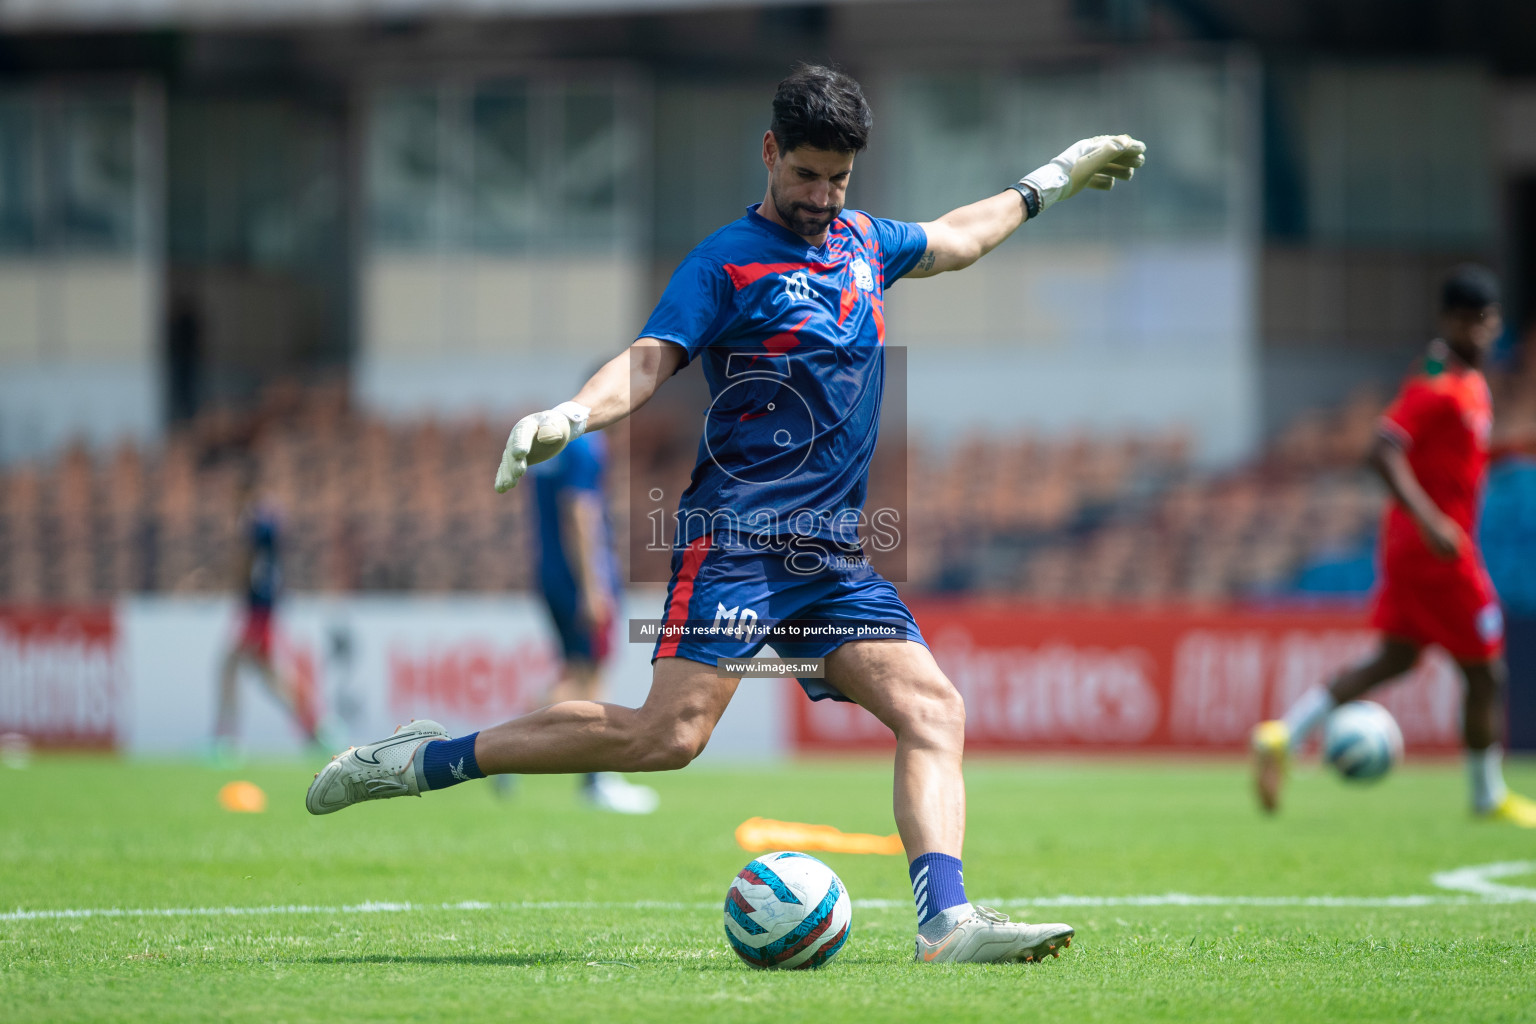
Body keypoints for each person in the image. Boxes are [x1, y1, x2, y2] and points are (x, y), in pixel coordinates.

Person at [307, 64, 1146, 963]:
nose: (823, 196)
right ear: (770, 152)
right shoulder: (724, 261)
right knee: (665, 738)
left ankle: (946, 925)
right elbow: (647, 359)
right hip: (739, 541)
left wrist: (1052, 176)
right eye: (807, 175)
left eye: (839, 180)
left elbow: (958, 238)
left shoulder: (863, 242)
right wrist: (570, 416)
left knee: (934, 709)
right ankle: (424, 759)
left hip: (832, 560)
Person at [1252, 265, 1536, 828]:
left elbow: (1459, 460)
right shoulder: (1437, 386)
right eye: (1470, 321)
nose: (1480, 330)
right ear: (1450, 321)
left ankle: (1284, 734)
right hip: (1438, 551)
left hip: (1417, 548)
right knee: (1486, 674)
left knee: (1397, 657)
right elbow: (1382, 449)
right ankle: (1486, 796)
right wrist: (1431, 522)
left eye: (1487, 320)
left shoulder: (1470, 386)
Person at [524, 429, 658, 814]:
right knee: (595, 676)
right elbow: (580, 513)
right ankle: (597, 778)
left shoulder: (553, 445)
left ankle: (505, 739)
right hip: (580, 577)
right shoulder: (587, 445)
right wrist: (593, 586)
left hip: (551, 572)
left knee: (577, 675)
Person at [213, 472, 318, 761]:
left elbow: (253, 565)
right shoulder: (264, 519)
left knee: (229, 667)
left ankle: (227, 740)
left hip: (259, 612)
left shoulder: (256, 521)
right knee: (271, 677)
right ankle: (316, 728)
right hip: (261, 610)